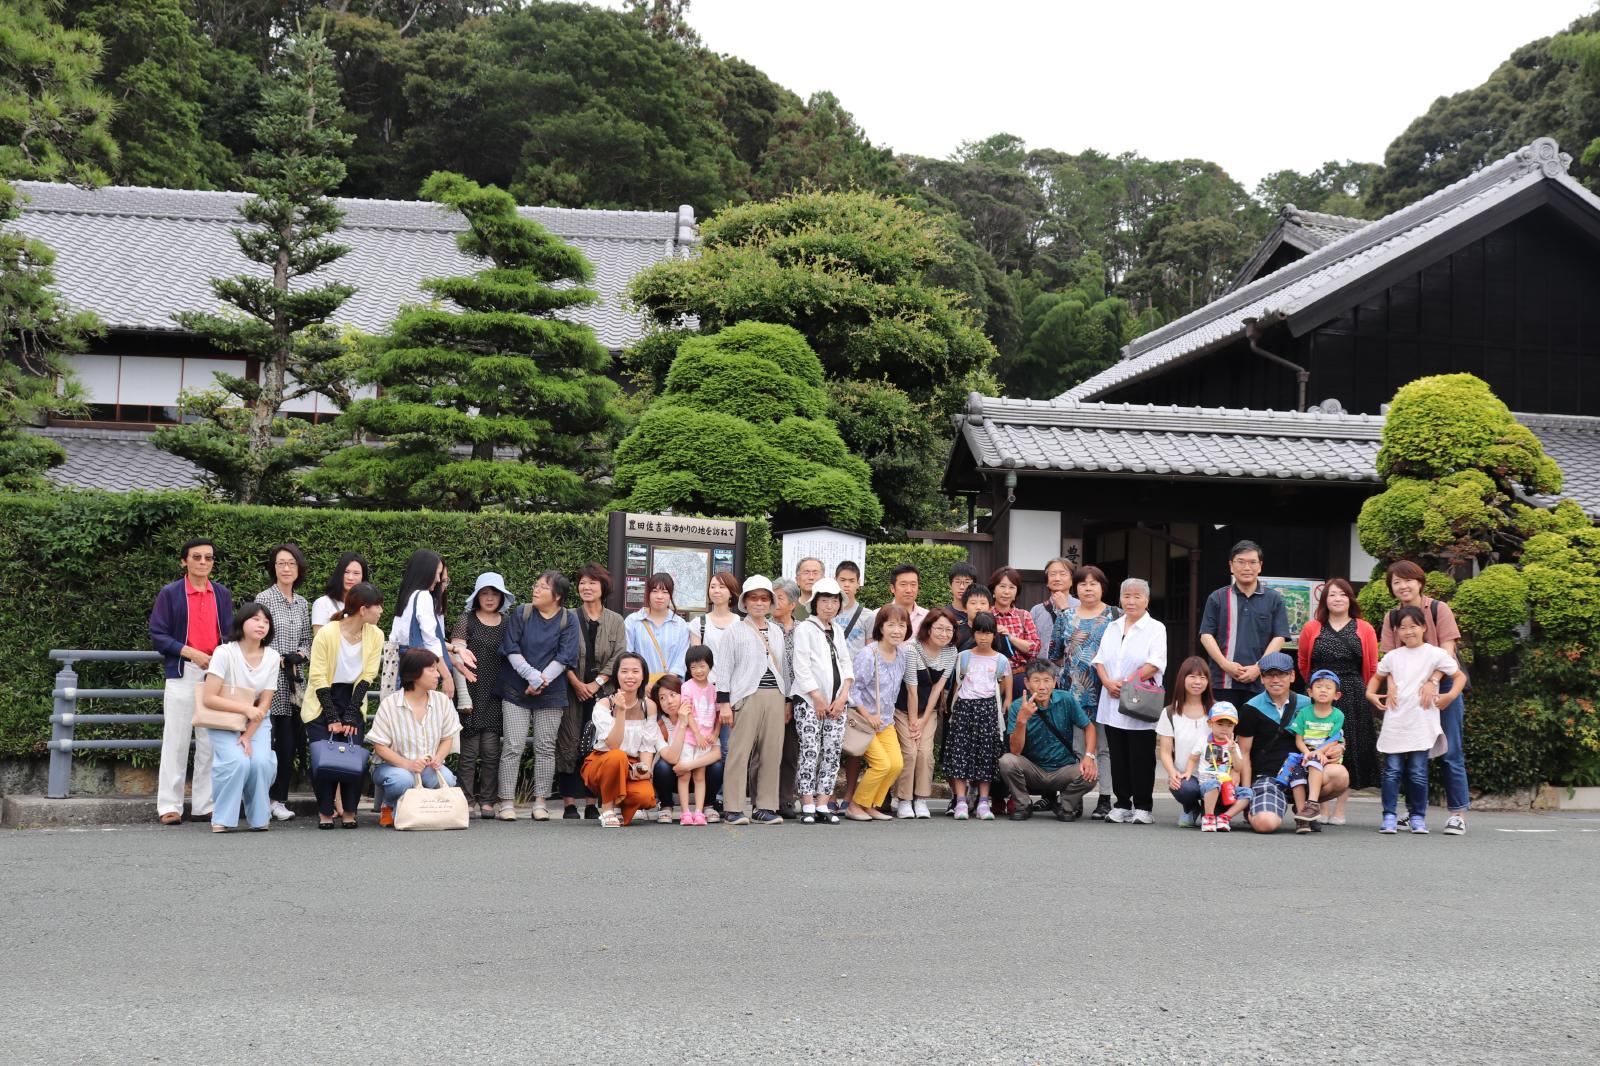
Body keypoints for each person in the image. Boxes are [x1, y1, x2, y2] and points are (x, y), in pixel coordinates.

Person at [1378, 560, 1471, 836]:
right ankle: (1412, 811)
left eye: (1408, 580)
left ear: (1420, 582)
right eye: (1396, 582)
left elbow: (1448, 651)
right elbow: (1390, 658)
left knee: (1450, 751)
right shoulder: (1391, 617)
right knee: (1408, 750)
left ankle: (1457, 813)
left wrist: (1433, 681)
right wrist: (1391, 685)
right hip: (1406, 693)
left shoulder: (1438, 609)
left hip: (1441, 687)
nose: (1403, 586)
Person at [149, 538, 235, 825]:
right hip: (182, 671)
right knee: (176, 740)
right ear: (184, 561)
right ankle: (169, 806)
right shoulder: (171, 593)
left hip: (214, 675)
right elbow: (158, 634)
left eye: (208, 558)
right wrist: (189, 652)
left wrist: (221, 662)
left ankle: (204, 805)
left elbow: (229, 634)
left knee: (210, 742)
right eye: (196, 557)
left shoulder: (222, 594)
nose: (203, 562)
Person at [497, 570, 579, 822]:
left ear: (557, 596)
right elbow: (511, 647)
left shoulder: (569, 619)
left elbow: (566, 656)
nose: (536, 590)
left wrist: (542, 681)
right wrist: (532, 677)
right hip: (516, 689)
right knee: (512, 745)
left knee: (545, 746)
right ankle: (506, 802)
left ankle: (540, 801)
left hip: (551, 692)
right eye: (536, 585)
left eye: (543, 587)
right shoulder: (522, 612)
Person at [1237, 652, 1349, 834]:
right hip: (1268, 778)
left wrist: (1340, 747)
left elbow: (1333, 733)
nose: (1275, 680)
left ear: (1292, 676)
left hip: (1302, 770)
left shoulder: (1308, 704)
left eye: (1281, 674)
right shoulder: (1251, 708)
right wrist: (1246, 794)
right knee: (1265, 824)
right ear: (1262, 678)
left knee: (1340, 775)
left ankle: (1304, 809)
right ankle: (1258, 810)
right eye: (1269, 675)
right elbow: (1244, 753)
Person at [1297, 577, 1378, 825]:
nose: (1337, 599)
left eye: (1343, 594)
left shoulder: (1364, 628)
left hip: (1352, 692)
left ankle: (1340, 809)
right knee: (1316, 742)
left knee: (1347, 748)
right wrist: (1318, 689)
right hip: (1320, 694)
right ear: (1325, 600)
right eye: (1332, 594)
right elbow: (1303, 663)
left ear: (1350, 598)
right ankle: (1319, 805)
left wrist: (1358, 688)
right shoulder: (1312, 627)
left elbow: (1372, 666)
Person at [303, 582, 384, 828]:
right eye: (378, 606)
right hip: (322, 700)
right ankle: (325, 813)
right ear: (363, 609)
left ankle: (350, 812)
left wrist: (349, 716)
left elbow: (368, 676)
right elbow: (317, 676)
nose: (381, 611)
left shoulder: (376, 635)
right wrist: (331, 716)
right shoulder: (327, 633)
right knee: (322, 760)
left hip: (353, 700)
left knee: (353, 759)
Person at [1091, 577, 1167, 824]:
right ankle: (1122, 803)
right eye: (1127, 596)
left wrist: (1127, 683)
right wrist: (1106, 681)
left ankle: (1143, 806)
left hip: (1138, 699)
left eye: (1137, 596)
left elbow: (1155, 663)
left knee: (1141, 755)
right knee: (1118, 754)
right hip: (1112, 698)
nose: (1131, 601)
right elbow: (1100, 659)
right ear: (1120, 599)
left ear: (1147, 599)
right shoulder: (1113, 626)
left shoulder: (1156, 628)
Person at [716, 576, 791, 825]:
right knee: (739, 752)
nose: (759, 603)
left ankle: (765, 807)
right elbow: (724, 669)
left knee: (771, 753)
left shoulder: (777, 631)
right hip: (746, 696)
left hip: (775, 696)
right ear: (744, 602)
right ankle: (733, 807)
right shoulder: (734, 631)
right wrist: (724, 703)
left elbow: (785, 669)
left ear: (770, 602)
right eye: (753, 598)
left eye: (764, 598)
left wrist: (787, 701)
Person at [201, 602, 280, 833]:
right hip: (224, 719)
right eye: (255, 619)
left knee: (260, 763)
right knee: (236, 762)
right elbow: (208, 697)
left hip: (256, 720)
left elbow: (265, 702)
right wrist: (244, 710)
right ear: (242, 622)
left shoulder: (273, 657)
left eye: (266, 621)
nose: (261, 625)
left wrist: (248, 734)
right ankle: (223, 817)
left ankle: (258, 817)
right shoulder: (224, 652)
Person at [559, 563, 626, 820]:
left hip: (603, 693)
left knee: (597, 743)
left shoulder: (615, 620)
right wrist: (576, 682)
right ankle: (568, 803)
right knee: (568, 741)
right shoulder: (567, 617)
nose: (586, 587)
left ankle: (590, 802)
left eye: (592, 583)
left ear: (603, 588)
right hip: (569, 689)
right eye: (582, 583)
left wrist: (596, 683)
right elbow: (560, 654)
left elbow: (618, 655)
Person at [1055, 565, 1121, 819]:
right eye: (1083, 583)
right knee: (1075, 747)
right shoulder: (1066, 616)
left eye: (1094, 583)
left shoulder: (1115, 615)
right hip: (1072, 691)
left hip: (1105, 690)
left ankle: (1105, 798)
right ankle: (1074, 796)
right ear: (1075, 588)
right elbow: (1055, 653)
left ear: (1102, 587)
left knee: (1103, 748)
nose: (1088, 588)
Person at [367, 649, 462, 823]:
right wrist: (408, 764)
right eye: (432, 670)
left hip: (427, 766)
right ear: (414, 673)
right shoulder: (390, 704)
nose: (438, 675)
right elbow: (379, 746)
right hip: (392, 767)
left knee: (447, 779)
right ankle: (389, 805)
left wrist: (438, 759)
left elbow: (447, 738)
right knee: (402, 780)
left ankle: (425, 813)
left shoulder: (441, 701)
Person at [999, 659, 1098, 821]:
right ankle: (1023, 804)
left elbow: (1089, 727)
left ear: (1054, 682)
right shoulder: (1018, 706)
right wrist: (1021, 721)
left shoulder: (1066, 699)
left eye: (1047, 680)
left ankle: (1065, 804)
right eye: (1036, 681)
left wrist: (1089, 756)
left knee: (1091, 773)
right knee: (1007, 761)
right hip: (1033, 770)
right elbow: (1015, 751)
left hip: (1062, 770)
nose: (1042, 686)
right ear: (1027, 683)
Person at [449, 572, 514, 820]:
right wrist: (463, 695)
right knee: (468, 752)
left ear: (501, 597)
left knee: (490, 750)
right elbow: (456, 658)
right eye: (484, 593)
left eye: (494, 594)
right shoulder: (467, 620)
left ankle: (488, 800)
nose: (489, 598)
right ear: (477, 596)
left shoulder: (507, 622)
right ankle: (465, 799)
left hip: (496, 692)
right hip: (470, 691)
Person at [1198, 539, 1289, 714]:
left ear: (1260, 566)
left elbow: (1279, 636)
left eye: (1252, 562)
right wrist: (1225, 665)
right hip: (1223, 681)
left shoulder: (1274, 599)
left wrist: (1258, 667)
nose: (1247, 567)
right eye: (1241, 562)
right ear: (1231, 565)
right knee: (1222, 734)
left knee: (1255, 735)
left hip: (1260, 680)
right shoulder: (1217, 597)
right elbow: (1206, 635)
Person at [256, 542, 311, 822]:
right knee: (267, 741)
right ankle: (259, 797)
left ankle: (278, 799)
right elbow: (256, 635)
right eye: (281, 563)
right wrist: (274, 658)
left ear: (298, 567)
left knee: (289, 743)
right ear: (273, 568)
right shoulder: (263, 598)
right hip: (268, 679)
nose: (286, 568)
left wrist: (300, 654)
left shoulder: (303, 603)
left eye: (291, 563)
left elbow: (308, 641)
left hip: (294, 682)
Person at [792, 578, 854, 824]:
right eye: (825, 600)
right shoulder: (804, 628)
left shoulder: (837, 630)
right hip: (809, 701)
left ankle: (823, 803)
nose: (830, 605)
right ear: (814, 603)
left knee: (832, 751)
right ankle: (807, 802)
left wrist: (842, 697)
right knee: (810, 750)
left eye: (835, 601)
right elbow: (801, 666)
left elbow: (846, 665)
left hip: (837, 704)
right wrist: (817, 697)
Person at [582, 652, 660, 827]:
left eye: (635, 671)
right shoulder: (604, 704)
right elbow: (613, 744)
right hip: (603, 762)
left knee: (645, 797)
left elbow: (647, 746)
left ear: (643, 676)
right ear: (617, 675)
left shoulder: (649, 706)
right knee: (617, 756)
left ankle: (620, 804)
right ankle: (607, 808)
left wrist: (644, 769)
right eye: (624, 671)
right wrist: (621, 711)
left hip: (631, 765)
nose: (630, 676)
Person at [845, 604, 908, 821]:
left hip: (886, 721)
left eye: (901, 625)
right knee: (881, 764)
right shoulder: (868, 654)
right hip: (864, 721)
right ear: (880, 627)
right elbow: (853, 689)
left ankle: (872, 804)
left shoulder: (902, 655)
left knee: (896, 764)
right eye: (891, 624)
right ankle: (855, 805)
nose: (897, 630)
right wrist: (867, 714)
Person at [943, 611, 1009, 820]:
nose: (983, 637)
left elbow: (1006, 687)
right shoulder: (963, 657)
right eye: (979, 632)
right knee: (960, 754)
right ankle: (961, 801)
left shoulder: (1001, 660)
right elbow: (956, 685)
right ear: (973, 633)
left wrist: (1006, 703)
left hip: (988, 710)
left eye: (988, 633)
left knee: (986, 756)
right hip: (964, 709)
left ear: (994, 635)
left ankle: (983, 802)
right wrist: (950, 704)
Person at [896, 607, 957, 819]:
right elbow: (911, 689)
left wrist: (922, 722)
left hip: (928, 712)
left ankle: (920, 798)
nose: (944, 634)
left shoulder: (951, 651)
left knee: (925, 753)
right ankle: (904, 800)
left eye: (948, 630)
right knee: (910, 752)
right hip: (903, 710)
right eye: (939, 628)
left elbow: (938, 689)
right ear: (928, 629)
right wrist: (914, 723)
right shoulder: (912, 649)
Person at [661, 654, 722, 824]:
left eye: (702, 666)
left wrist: (715, 733)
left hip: (706, 739)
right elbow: (687, 712)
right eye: (693, 667)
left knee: (700, 775)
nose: (698, 671)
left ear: (710, 666)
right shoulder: (687, 687)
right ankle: (685, 812)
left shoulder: (714, 689)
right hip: (689, 737)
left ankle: (699, 812)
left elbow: (718, 714)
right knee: (684, 775)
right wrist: (696, 733)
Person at [1157, 655, 1217, 828]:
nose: (1197, 681)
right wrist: (1172, 772)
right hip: (1186, 775)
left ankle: (1210, 809)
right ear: (1182, 679)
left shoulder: (1217, 709)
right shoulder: (1170, 712)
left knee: (1219, 803)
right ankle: (1191, 807)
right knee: (1186, 789)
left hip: (1214, 775)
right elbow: (1165, 751)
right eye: (1192, 676)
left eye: (1202, 677)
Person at [391, 549, 455, 700]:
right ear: (425, 572)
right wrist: (447, 677)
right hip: (416, 667)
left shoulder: (407, 595)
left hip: (399, 664)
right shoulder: (423, 596)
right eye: (437, 574)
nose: (439, 580)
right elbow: (430, 640)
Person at [1288, 669, 1347, 831]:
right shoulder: (1304, 713)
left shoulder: (1338, 715)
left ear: (1336, 695)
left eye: (1328, 688)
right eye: (1319, 687)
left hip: (1325, 756)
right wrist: (1307, 753)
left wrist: (1319, 752)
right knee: (1296, 777)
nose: (1323, 690)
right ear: (1310, 692)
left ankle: (1312, 803)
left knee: (1315, 762)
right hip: (1306, 755)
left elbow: (1334, 738)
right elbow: (1299, 738)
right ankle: (1302, 816)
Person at [768, 577, 804, 819]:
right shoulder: (765, 628)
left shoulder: (804, 630)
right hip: (770, 697)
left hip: (798, 698)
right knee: (767, 751)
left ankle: (786, 799)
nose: (774, 602)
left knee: (791, 752)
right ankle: (765, 800)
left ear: (793, 604)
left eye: (779, 597)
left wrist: (791, 701)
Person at [1188, 704, 1250, 832]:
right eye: (1220, 724)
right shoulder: (1203, 741)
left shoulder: (1233, 745)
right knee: (1213, 784)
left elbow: (1238, 768)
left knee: (1248, 793)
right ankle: (1208, 817)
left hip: (1228, 786)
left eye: (1229, 725)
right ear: (1210, 723)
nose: (1225, 729)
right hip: (1208, 784)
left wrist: (1233, 751)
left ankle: (1225, 817)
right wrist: (1188, 772)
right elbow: (1192, 758)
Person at [626, 572, 689, 682]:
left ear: (671, 595)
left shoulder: (680, 625)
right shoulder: (633, 621)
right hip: (640, 686)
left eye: (665, 592)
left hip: (671, 689)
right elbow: (627, 655)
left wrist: (666, 684)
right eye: (655, 591)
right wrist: (642, 683)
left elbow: (682, 659)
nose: (659, 596)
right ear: (648, 593)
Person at [988, 566, 1039, 689]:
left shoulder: (1024, 615)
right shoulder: (985, 615)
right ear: (993, 590)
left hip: (1018, 676)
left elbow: (1034, 649)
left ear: (1016, 592)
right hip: (989, 677)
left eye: (1012, 587)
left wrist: (1009, 637)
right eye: (1002, 586)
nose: (1007, 592)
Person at [1030, 557, 1078, 669]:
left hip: (1071, 673)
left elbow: (1080, 637)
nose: (1057, 578)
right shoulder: (1037, 610)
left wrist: (1065, 608)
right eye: (1052, 574)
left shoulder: (1081, 607)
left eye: (1062, 574)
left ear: (1071, 581)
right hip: (1042, 674)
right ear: (1047, 582)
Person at [312, 552, 369, 633]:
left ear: (363, 577)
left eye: (356, 573)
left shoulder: (367, 605)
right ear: (339, 574)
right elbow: (319, 641)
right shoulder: (323, 603)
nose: (350, 577)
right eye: (346, 572)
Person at [868, 564, 928, 638]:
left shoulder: (927, 617)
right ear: (892, 588)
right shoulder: (875, 616)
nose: (909, 590)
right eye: (903, 584)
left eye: (913, 584)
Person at [834, 561, 871, 656]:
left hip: (857, 670)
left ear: (858, 583)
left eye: (851, 581)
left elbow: (870, 652)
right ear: (835, 581)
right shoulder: (825, 613)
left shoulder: (868, 616)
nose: (846, 584)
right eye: (842, 580)